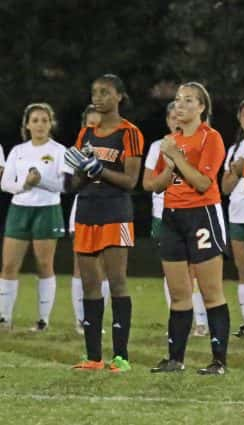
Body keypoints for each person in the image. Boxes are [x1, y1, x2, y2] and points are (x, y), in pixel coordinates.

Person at [149, 82, 230, 375]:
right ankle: (175, 358)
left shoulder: (211, 138)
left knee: (211, 291)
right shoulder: (170, 140)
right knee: (179, 292)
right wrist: (169, 165)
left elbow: (203, 183)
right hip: (172, 216)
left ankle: (218, 361)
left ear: (201, 107)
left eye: (188, 100)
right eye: (178, 100)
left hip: (201, 215)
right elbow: (153, 184)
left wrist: (178, 158)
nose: (180, 105)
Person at [65, 74, 143, 373]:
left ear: (119, 97)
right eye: (94, 92)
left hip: (116, 212)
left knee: (118, 281)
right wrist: (81, 168)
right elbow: (74, 182)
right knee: (89, 284)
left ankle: (120, 356)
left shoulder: (130, 132)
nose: (98, 97)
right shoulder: (85, 133)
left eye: (105, 92)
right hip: (86, 211)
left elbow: (130, 181)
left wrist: (100, 170)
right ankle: (94, 357)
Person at [143, 101, 208, 336]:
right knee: (173, 270)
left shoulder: (198, 144)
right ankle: (181, 320)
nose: (175, 121)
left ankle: (200, 321)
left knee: (196, 269)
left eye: (178, 116)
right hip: (163, 215)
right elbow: (148, 183)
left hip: (193, 212)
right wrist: (169, 169)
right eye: (171, 117)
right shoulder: (157, 147)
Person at [0, 103, 68, 331]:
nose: (40, 124)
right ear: (27, 125)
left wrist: (41, 181)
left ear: (51, 124)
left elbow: (64, 185)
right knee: (9, 265)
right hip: (19, 210)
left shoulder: (59, 151)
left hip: (48, 210)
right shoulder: (18, 151)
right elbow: (6, 183)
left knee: (44, 264)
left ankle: (42, 320)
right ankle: (4, 318)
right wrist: (25, 185)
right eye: (35, 120)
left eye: (44, 120)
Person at [70, 105, 110, 335]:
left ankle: (97, 320)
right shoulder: (76, 151)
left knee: (104, 267)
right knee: (81, 266)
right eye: (90, 125)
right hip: (83, 208)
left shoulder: (115, 146)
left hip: (109, 209)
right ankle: (81, 320)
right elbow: (70, 183)